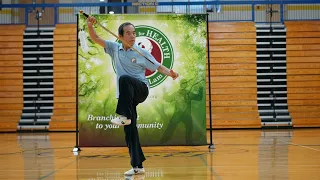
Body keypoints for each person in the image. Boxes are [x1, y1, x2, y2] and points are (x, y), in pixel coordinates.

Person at [86, 17, 179, 176]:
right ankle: (138, 166)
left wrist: (171, 73)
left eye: (134, 33)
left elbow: (158, 66)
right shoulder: (114, 48)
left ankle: (123, 115)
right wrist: (90, 25)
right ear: (120, 36)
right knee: (130, 131)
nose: (132, 36)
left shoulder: (141, 52)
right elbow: (96, 38)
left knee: (124, 79)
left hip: (141, 89)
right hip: (127, 96)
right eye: (128, 33)